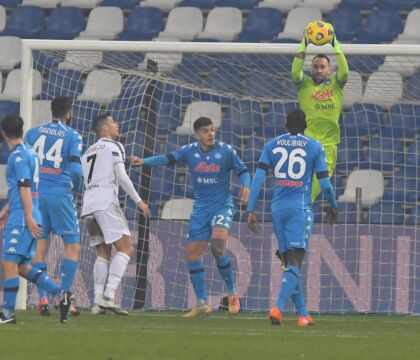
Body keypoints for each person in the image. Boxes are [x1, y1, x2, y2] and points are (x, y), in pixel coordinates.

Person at [130, 117, 251, 317]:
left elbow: (244, 171)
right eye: (205, 131)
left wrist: (246, 186)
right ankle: (202, 302)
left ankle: (232, 294)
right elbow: (167, 158)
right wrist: (144, 161)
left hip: (222, 206)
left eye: (212, 130)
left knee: (218, 243)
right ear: (197, 135)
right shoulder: (190, 151)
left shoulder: (226, 151)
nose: (210, 134)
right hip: (201, 209)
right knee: (192, 254)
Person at [247, 109, 338, 326]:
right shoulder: (314, 146)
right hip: (300, 209)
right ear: (305, 125)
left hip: (277, 209)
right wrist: (333, 205)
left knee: (289, 263)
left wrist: (250, 209)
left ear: (286, 125)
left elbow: (258, 178)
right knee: (295, 261)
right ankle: (277, 307)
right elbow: (324, 183)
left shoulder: (272, 145)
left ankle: (303, 314)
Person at [81, 113, 150, 315]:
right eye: (113, 122)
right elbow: (121, 175)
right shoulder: (114, 147)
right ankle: (109, 296)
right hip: (105, 200)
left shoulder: (87, 152)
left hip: (88, 204)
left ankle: (96, 303)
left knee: (103, 252)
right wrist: (139, 201)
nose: (117, 125)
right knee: (126, 248)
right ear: (104, 128)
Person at [0, 115, 64, 324]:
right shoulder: (32, 153)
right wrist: (7, 210)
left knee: (9, 263)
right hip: (26, 211)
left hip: (23, 216)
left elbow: (25, 186)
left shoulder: (17, 157)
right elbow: (24, 188)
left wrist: (26, 217)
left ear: (3, 134)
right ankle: (61, 295)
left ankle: (7, 313)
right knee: (22, 266)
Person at [24, 96, 83, 318]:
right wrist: (77, 187)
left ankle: (42, 299)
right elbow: (76, 171)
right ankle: (66, 297)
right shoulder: (73, 135)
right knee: (72, 244)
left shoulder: (33, 133)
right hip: (60, 194)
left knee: (40, 246)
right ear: (69, 113)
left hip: (37, 196)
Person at [291, 24, 349, 202]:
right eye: (315, 66)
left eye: (323, 66)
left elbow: (345, 71)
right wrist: (305, 43)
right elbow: (295, 72)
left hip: (329, 146)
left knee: (312, 192)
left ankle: (300, 217)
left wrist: (334, 43)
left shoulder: (336, 85)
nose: (318, 70)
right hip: (306, 144)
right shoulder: (304, 85)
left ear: (329, 70)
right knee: (301, 191)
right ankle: (299, 219)